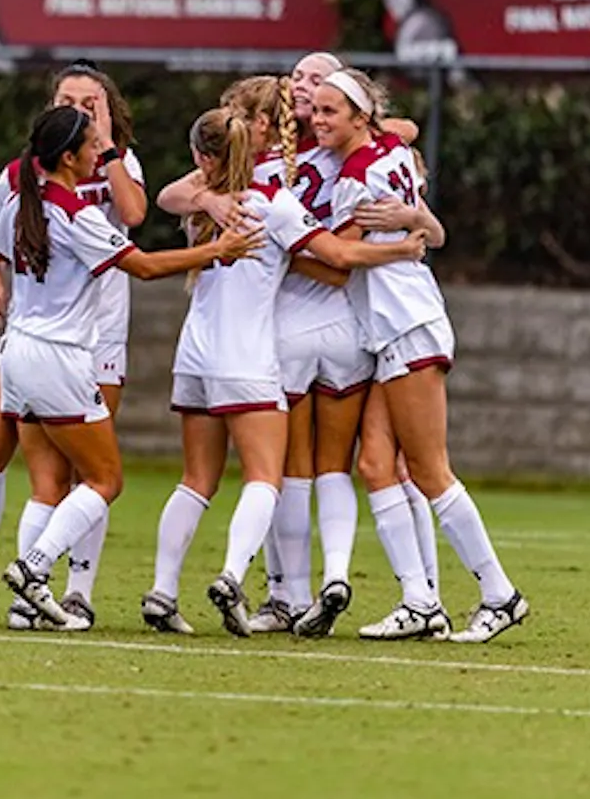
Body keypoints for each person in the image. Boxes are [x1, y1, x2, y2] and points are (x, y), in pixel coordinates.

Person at [0, 106, 263, 629]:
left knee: (46, 482)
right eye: (94, 145)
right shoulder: (77, 216)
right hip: (60, 359)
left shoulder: (22, 202)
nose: (102, 151)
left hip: (16, 356)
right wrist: (218, 250)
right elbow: (142, 267)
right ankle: (32, 571)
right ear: (68, 157)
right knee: (105, 479)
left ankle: (26, 602)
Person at [156, 55, 423, 639]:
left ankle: (287, 594)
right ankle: (359, 583)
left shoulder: (251, 170)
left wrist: (209, 203)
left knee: (284, 471)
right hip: (344, 324)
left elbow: (171, 194)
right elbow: (341, 254)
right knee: (344, 468)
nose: (308, 93)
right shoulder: (342, 146)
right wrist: (407, 243)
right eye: (300, 83)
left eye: (318, 84)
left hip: (275, 331)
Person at [315, 68, 529, 642]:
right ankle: (419, 600)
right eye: (315, 110)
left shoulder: (357, 176)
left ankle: (499, 593)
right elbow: (433, 235)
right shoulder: (393, 151)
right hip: (391, 332)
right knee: (376, 465)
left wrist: (286, 239)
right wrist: (416, 225)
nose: (318, 119)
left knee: (431, 471)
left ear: (360, 116)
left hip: (407, 325)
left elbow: (337, 259)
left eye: (330, 110)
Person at [0, 61, 146, 630]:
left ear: (109, 110)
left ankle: (76, 589)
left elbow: (134, 216)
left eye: (92, 101)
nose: (81, 107)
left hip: (100, 331)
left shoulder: (118, 163)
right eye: (69, 99)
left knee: (88, 471)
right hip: (35, 335)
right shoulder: (23, 175)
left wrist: (106, 149)